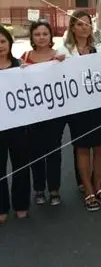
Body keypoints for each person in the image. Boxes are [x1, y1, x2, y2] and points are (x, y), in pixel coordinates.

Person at [58, 10, 101, 211]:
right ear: (72, 27)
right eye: (79, 24)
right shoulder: (63, 50)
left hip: (100, 105)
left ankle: (99, 185)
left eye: (87, 24)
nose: (84, 27)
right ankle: (88, 189)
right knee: (83, 148)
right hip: (79, 108)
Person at [20, 20, 66, 206]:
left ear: (50, 36)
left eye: (45, 34)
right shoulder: (24, 57)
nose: (41, 37)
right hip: (32, 115)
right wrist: (20, 71)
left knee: (54, 152)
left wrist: (63, 64)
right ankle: (39, 189)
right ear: (32, 37)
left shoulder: (60, 57)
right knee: (35, 152)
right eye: (37, 34)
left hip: (55, 115)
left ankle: (54, 189)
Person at [0, 25, 30, 224]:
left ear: (9, 42)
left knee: (20, 165)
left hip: (18, 125)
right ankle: (1, 207)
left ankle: (21, 204)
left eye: (2, 41)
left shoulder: (20, 65)